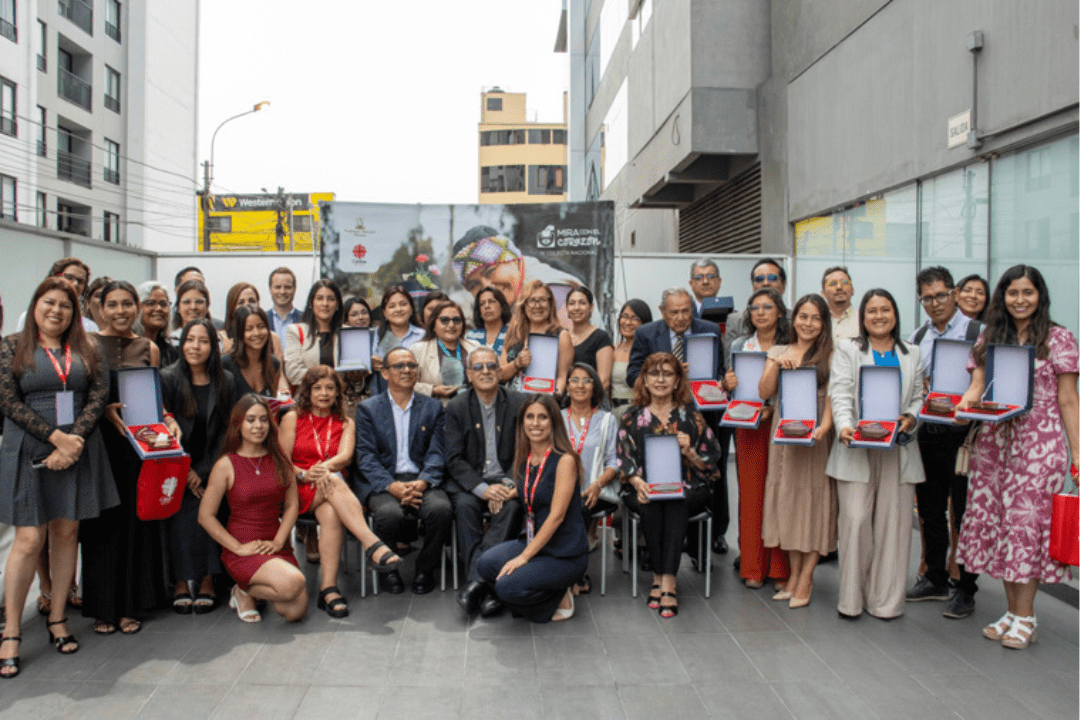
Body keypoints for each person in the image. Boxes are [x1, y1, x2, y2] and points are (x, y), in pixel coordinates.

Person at [0, 277, 120, 678]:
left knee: (67, 531)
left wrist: (73, 442)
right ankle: (12, 631)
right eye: (49, 303)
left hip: (78, 448)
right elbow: (7, 400)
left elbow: (97, 397)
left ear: (75, 312)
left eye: (65, 305)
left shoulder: (87, 349)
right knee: (30, 538)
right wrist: (55, 439)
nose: (56, 311)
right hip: (29, 447)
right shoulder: (10, 346)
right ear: (35, 305)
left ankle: (56, 618)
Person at [955, 265, 1078, 650]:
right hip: (995, 445)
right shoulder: (991, 337)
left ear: (1040, 295)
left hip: (1041, 446)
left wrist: (1078, 455)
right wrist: (962, 406)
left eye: (1028, 292)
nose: (1020, 300)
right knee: (1003, 530)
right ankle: (1012, 611)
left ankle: (1026, 616)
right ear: (1002, 297)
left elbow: (1068, 399)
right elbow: (975, 387)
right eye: (1013, 293)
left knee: (1026, 530)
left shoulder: (1059, 339)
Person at [81, 281, 173, 636]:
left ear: (137, 307)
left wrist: (167, 421)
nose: (120, 311)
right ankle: (103, 607)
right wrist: (103, 410)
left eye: (127, 304)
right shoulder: (87, 344)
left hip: (137, 445)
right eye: (113, 304)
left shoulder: (147, 347)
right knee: (102, 523)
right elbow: (81, 396)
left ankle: (130, 605)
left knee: (136, 522)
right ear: (100, 309)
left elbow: (154, 399)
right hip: (99, 444)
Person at [827, 289, 924, 620]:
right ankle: (852, 601)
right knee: (854, 523)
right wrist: (843, 427)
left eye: (886, 309)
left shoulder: (912, 352)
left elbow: (919, 396)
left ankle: (885, 603)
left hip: (898, 450)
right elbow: (839, 391)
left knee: (893, 527)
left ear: (895, 314)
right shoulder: (848, 349)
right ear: (862, 317)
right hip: (856, 446)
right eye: (872, 311)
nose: (879, 316)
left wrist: (911, 417)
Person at [277, 367, 403, 618]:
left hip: (331, 488)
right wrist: (305, 473)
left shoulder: (346, 422)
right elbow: (281, 460)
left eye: (330, 388)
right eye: (318, 388)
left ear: (338, 393)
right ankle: (372, 544)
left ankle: (329, 589)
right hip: (298, 485)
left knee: (332, 512)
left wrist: (322, 469)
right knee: (333, 482)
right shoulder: (292, 417)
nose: (324, 393)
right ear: (308, 391)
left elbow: (344, 457)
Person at [626, 287, 729, 555]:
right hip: (661, 416)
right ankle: (662, 544)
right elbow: (632, 375)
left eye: (687, 311)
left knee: (705, 472)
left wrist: (718, 383)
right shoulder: (647, 333)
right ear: (662, 312)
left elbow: (718, 370)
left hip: (701, 416)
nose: (682, 317)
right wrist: (666, 372)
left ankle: (705, 541)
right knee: (665, 475)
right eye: (675, 312)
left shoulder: (710, 330)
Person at [905, 267, 983, 619]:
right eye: (927, 298)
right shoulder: (917, 335)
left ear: (954, 293)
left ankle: (965, 588)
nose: (935, 303)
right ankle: (935, 576)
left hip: (964, 435)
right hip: (927, 432)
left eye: (940, 295)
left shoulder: (977, 332)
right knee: (931, 510)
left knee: (965, 513)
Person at [617, 353, 721, 618]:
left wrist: (690, 453)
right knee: (650, 502)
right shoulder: (631, 416)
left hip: (687, 487)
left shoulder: (691, 416)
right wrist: (637, 481)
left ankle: (665, 580)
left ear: (677, 381)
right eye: (654, 373)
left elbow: (710, 463)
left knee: (675, 502)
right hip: (643, 486)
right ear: (645, 379)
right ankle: (662, 578)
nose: (661, 379)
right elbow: (622, 459)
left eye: (668, 374)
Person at [475, 393, 589, 623]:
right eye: (530, 417)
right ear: (522, 422)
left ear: (554, 422)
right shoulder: (526, 458)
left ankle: (560, 595)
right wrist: (503, 494)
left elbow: (556, 516)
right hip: (534, 542)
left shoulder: (565, 460)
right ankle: (540, 586)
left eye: (542, 417)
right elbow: (529, 487)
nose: (535, 423)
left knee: (506, 587)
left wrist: (523, 558)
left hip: (563, 553)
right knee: (485, 564)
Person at [198, 394, 308, 623]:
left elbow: (291, 506)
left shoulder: (280, 460)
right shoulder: (226, 464)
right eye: (250, 420)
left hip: (275, 542)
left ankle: (249, 591)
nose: (258, 426)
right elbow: (205, 516)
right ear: (239, 424)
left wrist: (279, 541)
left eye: (263, 419)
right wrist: (237, 548)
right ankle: (241, 590)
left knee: (294, 612)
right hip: (245, 545)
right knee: (293, 584)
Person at [757, 294, 836, 607]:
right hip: (784, 435)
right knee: (787, 501)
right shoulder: (778, 350)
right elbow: (764, 392)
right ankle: (792, 573)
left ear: (824, 323)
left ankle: (806, 577)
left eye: (815, 318)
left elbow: (833, 397)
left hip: (816, 436)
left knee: (815, 502)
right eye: (803, 316)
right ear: (794, 320)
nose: (808, 324)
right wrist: (776, 364)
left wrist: (825, 428)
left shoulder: (832, 354)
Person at [355, 347, 452, 595]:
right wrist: (391, 486)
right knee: (388, 514)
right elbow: (365, 456)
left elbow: (437, 451)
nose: (407, 370)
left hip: (421, 479)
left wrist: (423, 481)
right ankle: (388, 571)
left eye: (411, 365)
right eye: (399, 366)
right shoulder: (368, 409)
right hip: (385, 481)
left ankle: (425, 570)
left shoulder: (432, 407)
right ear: (385, 373)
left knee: (441, 510)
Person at [160, 318, 238, 615]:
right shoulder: (167, 378)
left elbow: (226, 432)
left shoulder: (226, 380)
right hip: (175, 465)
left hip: (215, 465)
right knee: (181, 510)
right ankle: (181, 581)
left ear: (213, 346)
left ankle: (207, 580)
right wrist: (186, 470)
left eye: (203, 341)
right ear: (182, 343)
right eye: (190, 340)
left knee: (212, 504)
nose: (196, 346)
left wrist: (206, 473)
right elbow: (161, 428)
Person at [447, 347, 526, 617]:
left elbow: (526, 451)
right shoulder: (457, 406)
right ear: (468, 375)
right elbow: (454, 459)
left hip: (507, 481)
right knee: (465, 507)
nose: (485, 372)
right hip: (471, 483)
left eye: (492, 366)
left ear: (500, 371)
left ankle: (475, 584)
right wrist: (484, 490)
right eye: (478, 368)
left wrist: (505, 485)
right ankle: (490, 586)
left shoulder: (518, 402)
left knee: (514, 508)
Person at [723, 288, 791, 590]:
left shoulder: (789, 345)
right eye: (755, 308)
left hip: (779, 425)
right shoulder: (740, 344)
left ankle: (779, 568)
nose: (760, 312)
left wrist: (773, 409)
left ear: (779, 311)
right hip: (747, 424)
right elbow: (730, 384)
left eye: (767, 307)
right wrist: (728, 383)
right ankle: (752, 565)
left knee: (778, 495)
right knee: (750, 496)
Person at [562, 362, 619, 588]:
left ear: (595, 387)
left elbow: (614, 462)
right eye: (574, 380)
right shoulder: (556, 417)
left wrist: (597, 484)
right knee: (567, 505)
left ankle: (572, 572)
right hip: (562, 489)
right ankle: (569, 570)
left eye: (587, 380)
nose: (580, 385)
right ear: (566, 387)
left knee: (580, 506)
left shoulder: (607, 420)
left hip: (596, 490)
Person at [499, 280, 574, 395]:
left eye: (542, 300)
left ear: (550, 304)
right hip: (511, 403)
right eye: (531, 300)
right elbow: (500, 375)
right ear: (523, 305)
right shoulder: (513, 333)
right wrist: (517, 363)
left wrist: (554, 397)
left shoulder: (561, 336)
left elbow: (562, 377)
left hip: (544, 403)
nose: (537, 305)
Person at [411, 300, 479, 404]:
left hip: (471, 410)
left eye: (456, 320)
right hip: (436, 413)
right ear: (434, 325)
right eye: (444, 320)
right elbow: (406, 383)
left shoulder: (475, 347)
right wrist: (432, 390)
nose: (451, 325)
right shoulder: (418, 350)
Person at [284, 279, 345, 388]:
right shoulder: (296, 332)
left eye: (331, 299)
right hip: (308, 400)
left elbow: (354, 373)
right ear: (311, 303)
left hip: (341, 399)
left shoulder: (348, 333)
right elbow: (294, 373)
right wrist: (330, 378)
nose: (325, 304)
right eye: (320, 298)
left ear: (337, 304)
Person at [14, 258, 99, 334]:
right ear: (55, 277)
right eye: (69, 277)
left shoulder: (89, 327)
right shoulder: (30, 317)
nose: (75, 284)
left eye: (80, 281)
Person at [222, 305, 289, 398]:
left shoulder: (274, 363)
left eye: (261, 326)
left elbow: (272, 403)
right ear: (239, 333)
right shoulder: (225, 364)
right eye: (249, 329)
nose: (257, 333)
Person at [724, 258, 789, 342]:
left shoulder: (797, 320)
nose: (766, 283)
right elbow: (729, 354)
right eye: (759, 279)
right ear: (752, 285)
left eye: (772, 278)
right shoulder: (736, 321)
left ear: (783, 285)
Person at [566, 287, 613, 394]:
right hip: (563, 404)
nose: (576, 308)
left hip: (590, 404)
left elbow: (604, 382)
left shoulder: (601, 338)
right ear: (567, 308)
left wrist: (582, 401)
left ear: (591, 307)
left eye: (582, 303)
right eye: (572, 303)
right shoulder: (562, 336)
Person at [221, 283, 283, 359]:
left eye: (252, 301)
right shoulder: (221, 339)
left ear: (258, 304)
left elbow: (279, 369)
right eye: (241, 302)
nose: (247, 305)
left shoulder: (273, 338)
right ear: (232, 308)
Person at [611, 300, 652, 409]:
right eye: (624, 316)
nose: (628, 322)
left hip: (637, 411)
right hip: (612, 412)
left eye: (635, 319)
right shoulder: (613, 348)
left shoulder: (649, 351)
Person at [135, 281, 178, 367]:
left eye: (163, 304)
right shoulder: (126, 348)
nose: (158, 308)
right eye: (151, 303)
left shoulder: (172, 353)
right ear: (138, 308)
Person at [375, 285, 425, 356]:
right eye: (392, 306)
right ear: (384, 313)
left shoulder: (424, 336)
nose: (398, 309)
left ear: (411, 309)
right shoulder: (375, 337)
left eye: (403, 304)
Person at [465, 286, 511, 356]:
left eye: (491, 302)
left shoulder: (512, 335)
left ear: (502, 306)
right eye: (482, 304)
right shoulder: (470, 336)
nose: (487, 306)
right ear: (479, 311)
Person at [266, 267, 303, 348]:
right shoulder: (262, 320)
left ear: (294, 289)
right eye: (278, 287)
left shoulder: (306, 319)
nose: (282, 291)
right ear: (270, 289)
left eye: (287, 287)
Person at [822, 267, 858, 342]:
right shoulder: (817, 320)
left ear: (852, 290)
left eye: (844, 282)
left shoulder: (863, 320)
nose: (839, 287)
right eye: (832, 284)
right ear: (823, 293)